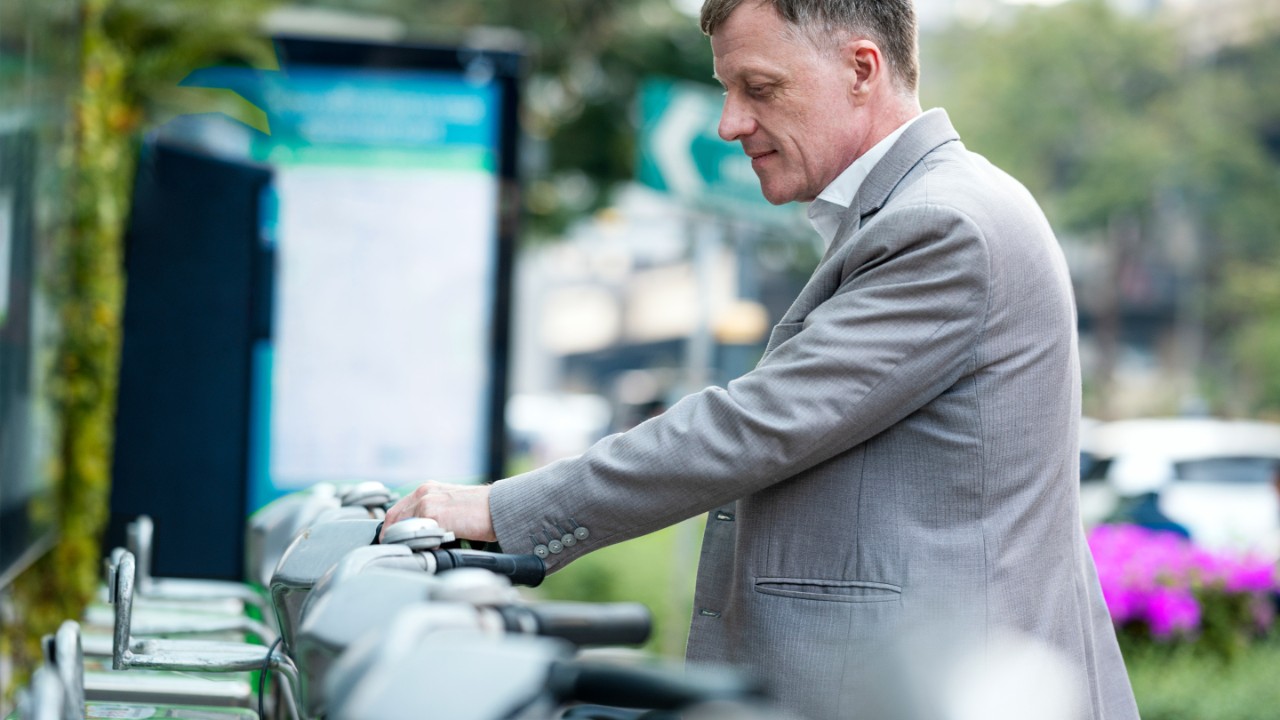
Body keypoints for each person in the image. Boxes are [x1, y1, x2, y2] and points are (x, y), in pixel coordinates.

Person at [384, 1, 1139, 718]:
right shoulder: (924, 209)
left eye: (760, 88)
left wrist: (497, 510)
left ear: (862, 68)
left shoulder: (943, 227)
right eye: (727, 89)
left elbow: (759, 423)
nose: (729, 123)